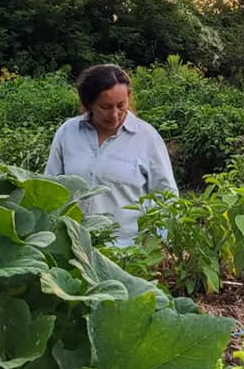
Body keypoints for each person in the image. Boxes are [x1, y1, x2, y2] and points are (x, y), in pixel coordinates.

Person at [45, 64, 178, 246]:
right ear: (88, 103)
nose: (114, 114)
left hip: (128, 253)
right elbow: (50, 186)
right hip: (73, 246)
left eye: (121, 105)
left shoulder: (147, 138)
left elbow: (167, 195)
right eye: (105, 107)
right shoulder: (68, 133)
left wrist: (156, 243)